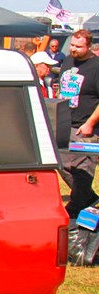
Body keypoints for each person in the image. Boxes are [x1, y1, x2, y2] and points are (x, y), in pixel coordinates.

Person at [58, 30, 99, 219]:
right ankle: (91, 202)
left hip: (85, 129)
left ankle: (78, 220)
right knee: (60, 164)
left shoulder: (96, 67)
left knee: (82, 172)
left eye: (78, 46)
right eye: (72, 45)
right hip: (65, 124)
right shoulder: (68, 61)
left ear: (89, 46)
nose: (73, 49)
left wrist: (91, 123)